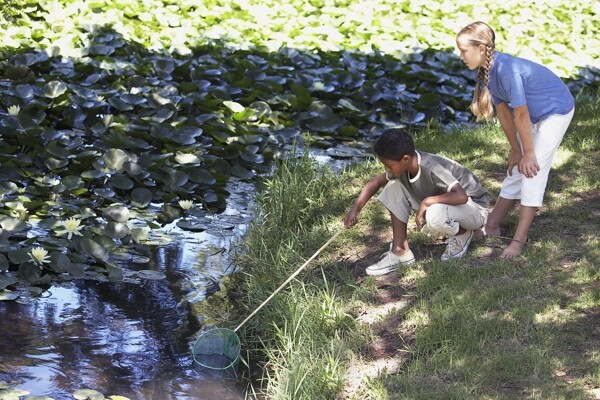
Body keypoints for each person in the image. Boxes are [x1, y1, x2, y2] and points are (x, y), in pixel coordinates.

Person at [456, 21, 575, 259]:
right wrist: (515, 150)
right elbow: (504, 113)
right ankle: (491, 226)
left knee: (531, 171)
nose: (460, 56)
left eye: (463, 50)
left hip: (555, 111)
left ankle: (519, 241)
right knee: (515, 170)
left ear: (481, 49)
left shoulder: (507, 70)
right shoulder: (489, 71)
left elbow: (520, 113)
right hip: (533, 114)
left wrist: (528, 153)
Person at [343, 128, 489, 276]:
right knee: (393, 187)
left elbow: (461, 196)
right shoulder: (403, 167)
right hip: (449, 206)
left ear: (405, 159)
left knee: (434, 212)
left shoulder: (432, 167)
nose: (387, 169)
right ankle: (400, 252)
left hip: (474, 209)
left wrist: (427, 201)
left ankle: (463, 233)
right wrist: (356, 208)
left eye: (389, 165)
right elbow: (375, 182)